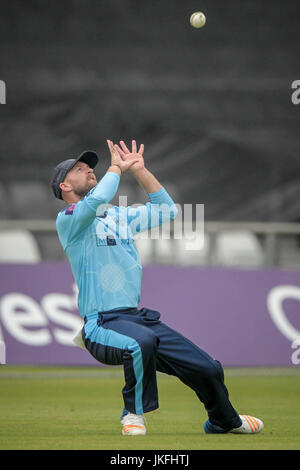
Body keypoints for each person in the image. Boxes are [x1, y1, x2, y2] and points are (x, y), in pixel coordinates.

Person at [51, 139, 264, 436]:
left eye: (91, 167)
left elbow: (167, 210)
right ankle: (133, 414)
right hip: (101, 324)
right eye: (79, 168)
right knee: (141, 341)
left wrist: (139, 170)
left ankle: (223, 421)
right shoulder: (69, 221)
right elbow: (98, 199)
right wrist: (115, 166)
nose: (89, 170)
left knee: (208, 368)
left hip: (136, 319)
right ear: (64, 186)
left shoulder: (118, 216)